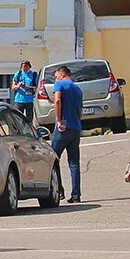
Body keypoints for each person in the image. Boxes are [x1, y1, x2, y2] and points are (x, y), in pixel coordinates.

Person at [50, 65, 84, 203]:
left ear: (62, 74)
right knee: (74, 162)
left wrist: (58, 120)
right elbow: (80, 110)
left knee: (53, 159)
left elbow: (57, 100)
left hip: (63, 127)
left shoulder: (60, 85)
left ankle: (59, 191)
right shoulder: (77, 88)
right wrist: (76, 121)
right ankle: (76, 194)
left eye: (56, 76)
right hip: (76, 127)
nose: (55, 78)